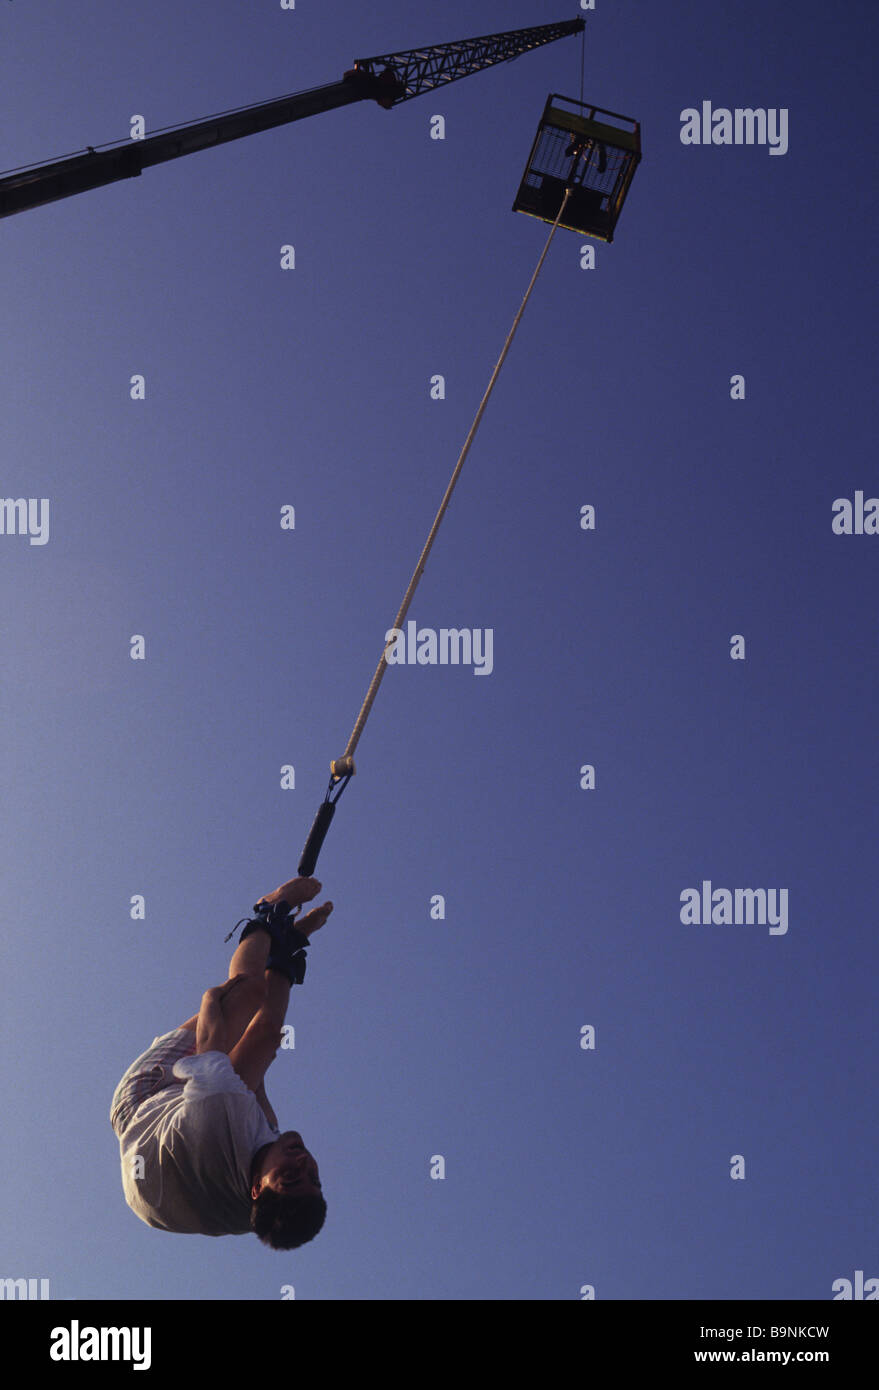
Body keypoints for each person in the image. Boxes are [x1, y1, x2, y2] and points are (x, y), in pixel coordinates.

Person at [110, 875, 333, 1248]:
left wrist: (218, 996)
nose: (303, 1164)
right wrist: (282, 963)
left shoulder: (219, 1118)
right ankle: (286, 950)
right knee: (263, 1044)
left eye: (292, 1177)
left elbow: (213, 1031)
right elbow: (260, 1052)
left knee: (248, 992)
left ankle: (267, 911)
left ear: (258, 1189)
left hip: (144, 1103)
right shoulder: (260, 1172)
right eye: (314, 1177)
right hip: (179, 1175)